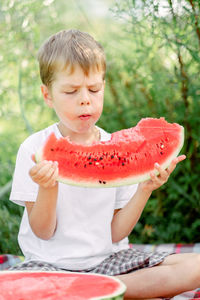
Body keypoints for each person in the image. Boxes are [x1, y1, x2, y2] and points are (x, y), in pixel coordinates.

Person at [9, 29, 200, 299]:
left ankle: (87, 291)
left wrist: (144, 189)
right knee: (18, 284)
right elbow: (43, 231)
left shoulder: (117, 149)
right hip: (50, 266)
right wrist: (48, 187)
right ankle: (91, 292)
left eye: (94, 89)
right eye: (71, 91)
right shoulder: (34, 149)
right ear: (48, 95)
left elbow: (115, 232)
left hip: (108, 264)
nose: (85, 98)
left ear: (103, 88)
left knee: (196, 266)